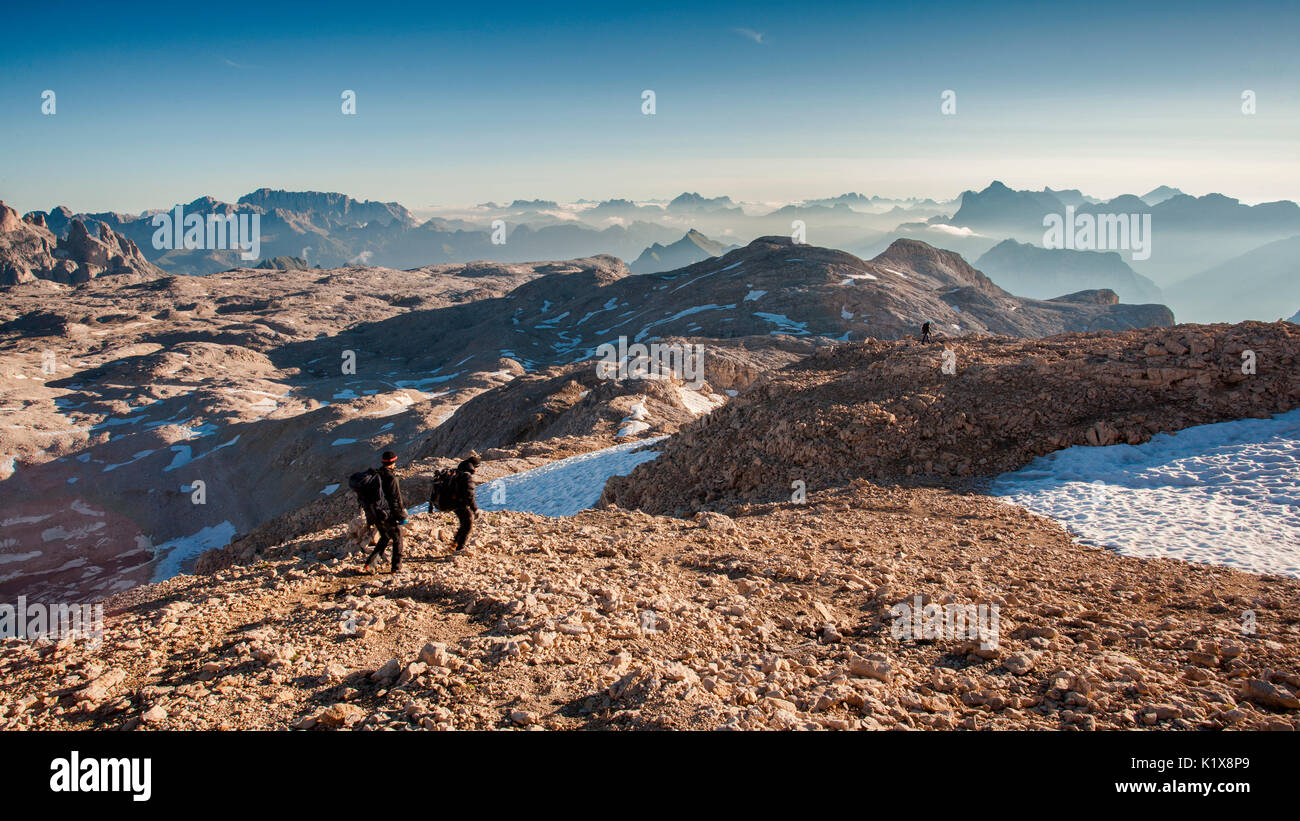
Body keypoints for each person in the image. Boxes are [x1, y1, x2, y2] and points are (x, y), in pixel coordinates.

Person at [362, 451, 406, 573]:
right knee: (398, 537)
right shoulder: (391, 478)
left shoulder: (376, 476)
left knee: (385, 536)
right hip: (386, 514)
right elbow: (395, 500)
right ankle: (396, 568)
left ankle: (370, 564)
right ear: (393, 462)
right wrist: (401, 516)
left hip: (374, 513)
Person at [450, 456, 479, 551]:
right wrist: (475, 509)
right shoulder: (467, 476)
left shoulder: (458, 472)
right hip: (460, 504)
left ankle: (454, 545)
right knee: (468, 524)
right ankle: (459, 548)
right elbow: (470, 495)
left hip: (454, 503)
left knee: (464, 523)